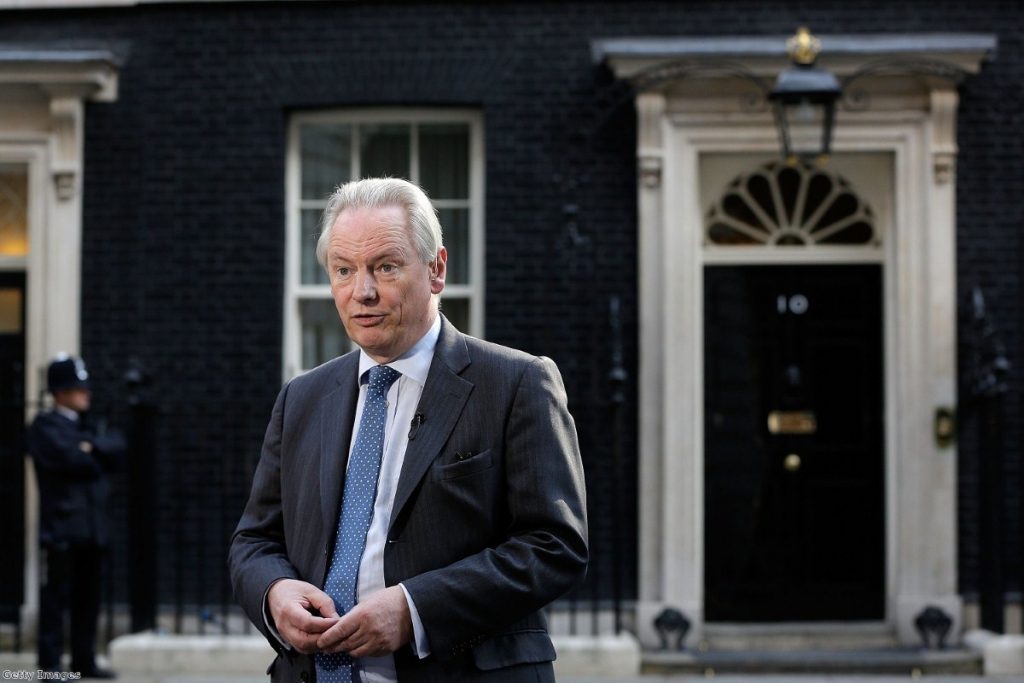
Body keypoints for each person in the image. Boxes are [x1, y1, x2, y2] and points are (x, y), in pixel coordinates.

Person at [229, 177, 588, 683]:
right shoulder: (302, 398)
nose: (363, 292)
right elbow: (254, 541)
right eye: (344, 270)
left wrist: (415, 609)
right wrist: (274, 593)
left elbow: (555, 546)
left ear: (437, 269)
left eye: (386, 267)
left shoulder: (517, 382)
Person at [27, 354, 124, 679]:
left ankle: (84, 660)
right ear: (59, 392)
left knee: (89, 598)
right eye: (76, 387)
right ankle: (50, 665)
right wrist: (92, 452)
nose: (86, 393)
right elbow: (74, 461)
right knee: (55, 599)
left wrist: (89, 447)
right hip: (61, 528)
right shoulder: (44, 427)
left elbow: (116, 449)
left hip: (93, 527)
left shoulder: (89, 426)